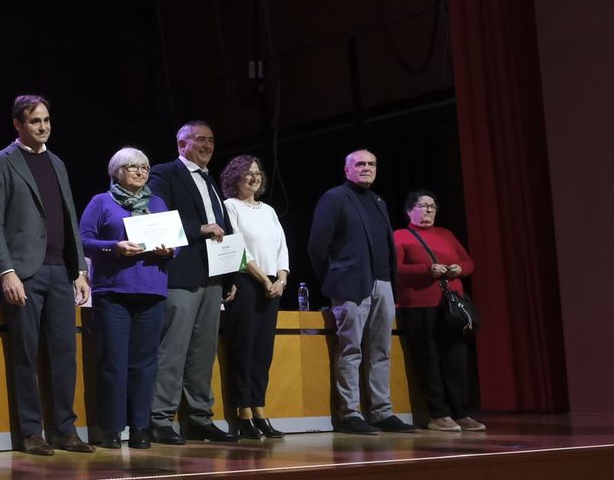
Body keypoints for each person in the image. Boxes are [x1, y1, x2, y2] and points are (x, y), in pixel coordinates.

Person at [0, 95, 92, 456]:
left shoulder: (57, 163)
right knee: (26, 353)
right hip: (24, 271)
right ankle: (30, 431)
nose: (43, 127)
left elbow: (70, 217)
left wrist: (80, 269)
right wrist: (5, 270)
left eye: (46, 120)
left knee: (64, 353)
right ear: (18, 124)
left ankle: (64, 430)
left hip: (60, 270)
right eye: (34, 121)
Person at [308, 149, 415, 435]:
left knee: (381, 351)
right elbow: (317, 246)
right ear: (347, 170)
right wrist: (333, 279)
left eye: (371, 164)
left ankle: (382, 411)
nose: (366, 168)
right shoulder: (335, 198)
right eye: (360, 164)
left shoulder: (378, 201)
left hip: (383, 284)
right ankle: (349, 413)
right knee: (351, 349)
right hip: (350, 286)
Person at [146, 121, 238, 444]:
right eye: (200, 139)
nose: (207, 145)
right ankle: (159, 419)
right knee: (173, 349)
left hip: (213, 276)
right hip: (181, 275)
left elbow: (223, 227)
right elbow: (156, 217)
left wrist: (230, 275)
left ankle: (199, 418)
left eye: (211, 140)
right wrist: (199, 229)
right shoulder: (164, 173)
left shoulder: (210, 180)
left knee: (203, 352)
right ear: (181, 143)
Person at [78, 147, 171, 450]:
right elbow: (83, 241)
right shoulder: (101, 202)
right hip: (113, 293)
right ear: (117, 171)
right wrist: (114, 247)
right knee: (114, 363)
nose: (141, 172)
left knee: (145, 364)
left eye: (145, 167)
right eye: (133, 167)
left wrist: (170, 250)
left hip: (151, 291)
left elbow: (177, 244)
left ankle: (141, 427)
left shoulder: (157, 203)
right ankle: (112, 428)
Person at [394, 190, 484, 432]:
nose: (428, 210)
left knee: (456, 359)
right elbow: (394, 269)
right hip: (419, 307)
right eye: (422, 205)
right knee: (429, 360)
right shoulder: (400, 236)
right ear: (409, 211)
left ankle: (461, 413)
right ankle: (438, 414)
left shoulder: (446, 234)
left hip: (451, 306)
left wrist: (459, 269)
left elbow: (469, 262)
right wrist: (427, 270)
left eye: (432, 206)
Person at [219, 155, 291, 440]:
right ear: (234, 177)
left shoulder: (269, 210)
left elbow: (282, 247)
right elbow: (237, 247)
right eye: (247, 173)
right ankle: (243, 412)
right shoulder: (230, 206)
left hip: (272, 285)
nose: (254, 177)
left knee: (263, 350)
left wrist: (281, 279)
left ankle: (259, 408)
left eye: (257, 173)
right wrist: (264, 280)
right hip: (247, 282)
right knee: (244, 348)